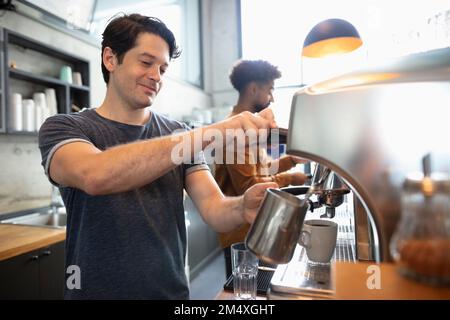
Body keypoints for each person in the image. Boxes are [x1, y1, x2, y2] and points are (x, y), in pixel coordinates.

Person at [38, 14, 278, 299]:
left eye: (163, 68)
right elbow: (95, 175)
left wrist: (242, 208)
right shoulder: (66, 127)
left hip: (169, 294)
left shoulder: (177, 132)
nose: (156, 76)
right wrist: (213, 132)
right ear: (110, 59)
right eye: (146, 62)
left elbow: (215, 208)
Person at [214, 60, 308, 278]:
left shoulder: (250, 129)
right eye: (270, 90)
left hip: (253, 228)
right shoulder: (235, 133)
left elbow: (261, 169)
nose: (272, 98)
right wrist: (292, 179)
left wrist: (291, 160)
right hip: (242, 235)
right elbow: (250, 186)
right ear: (253, 89)